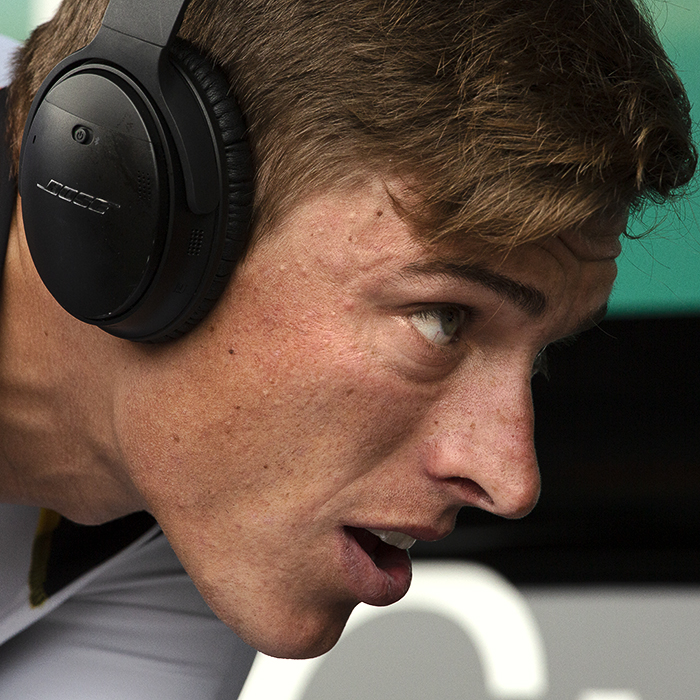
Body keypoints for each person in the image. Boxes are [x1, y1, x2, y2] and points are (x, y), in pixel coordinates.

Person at [0, 0, 696, 697]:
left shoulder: (188, 506)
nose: (511, 481)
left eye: (541, 353)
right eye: (441, 320)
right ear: (120, 197)